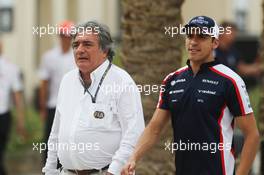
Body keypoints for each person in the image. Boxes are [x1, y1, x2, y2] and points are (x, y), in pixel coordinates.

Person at [121, 16, 260, 175]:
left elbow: (252, 136)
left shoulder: (230, 80)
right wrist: (133, 158)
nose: (193, 41)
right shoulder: (172, 80)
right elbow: (154, 128)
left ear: (215, 42)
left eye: (201, 37)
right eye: (190, 36)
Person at [42, 21, 145, 175]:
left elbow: (134, 132)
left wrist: (114, 171)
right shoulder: (67, 80)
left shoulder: (122, 81)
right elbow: (56, 132)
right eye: (76, 45)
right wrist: (49, 169)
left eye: (87, 44)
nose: (80, 50)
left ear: (104, 50)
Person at [38, 20, 76, 164]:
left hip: (73, 106)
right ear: (59, 36)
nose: (66, 38)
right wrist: (42, 107)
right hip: (54, 105)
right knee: (50, 140)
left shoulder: (77, 55)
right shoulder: (49, 57)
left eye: (68, 35)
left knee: (69, 140)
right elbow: (44, 83)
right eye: (63, 35)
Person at [0, 40, 25, 175]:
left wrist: (20, 120)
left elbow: (17, 96)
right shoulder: (11, 66)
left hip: (3, 115)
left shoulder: (10, 67)